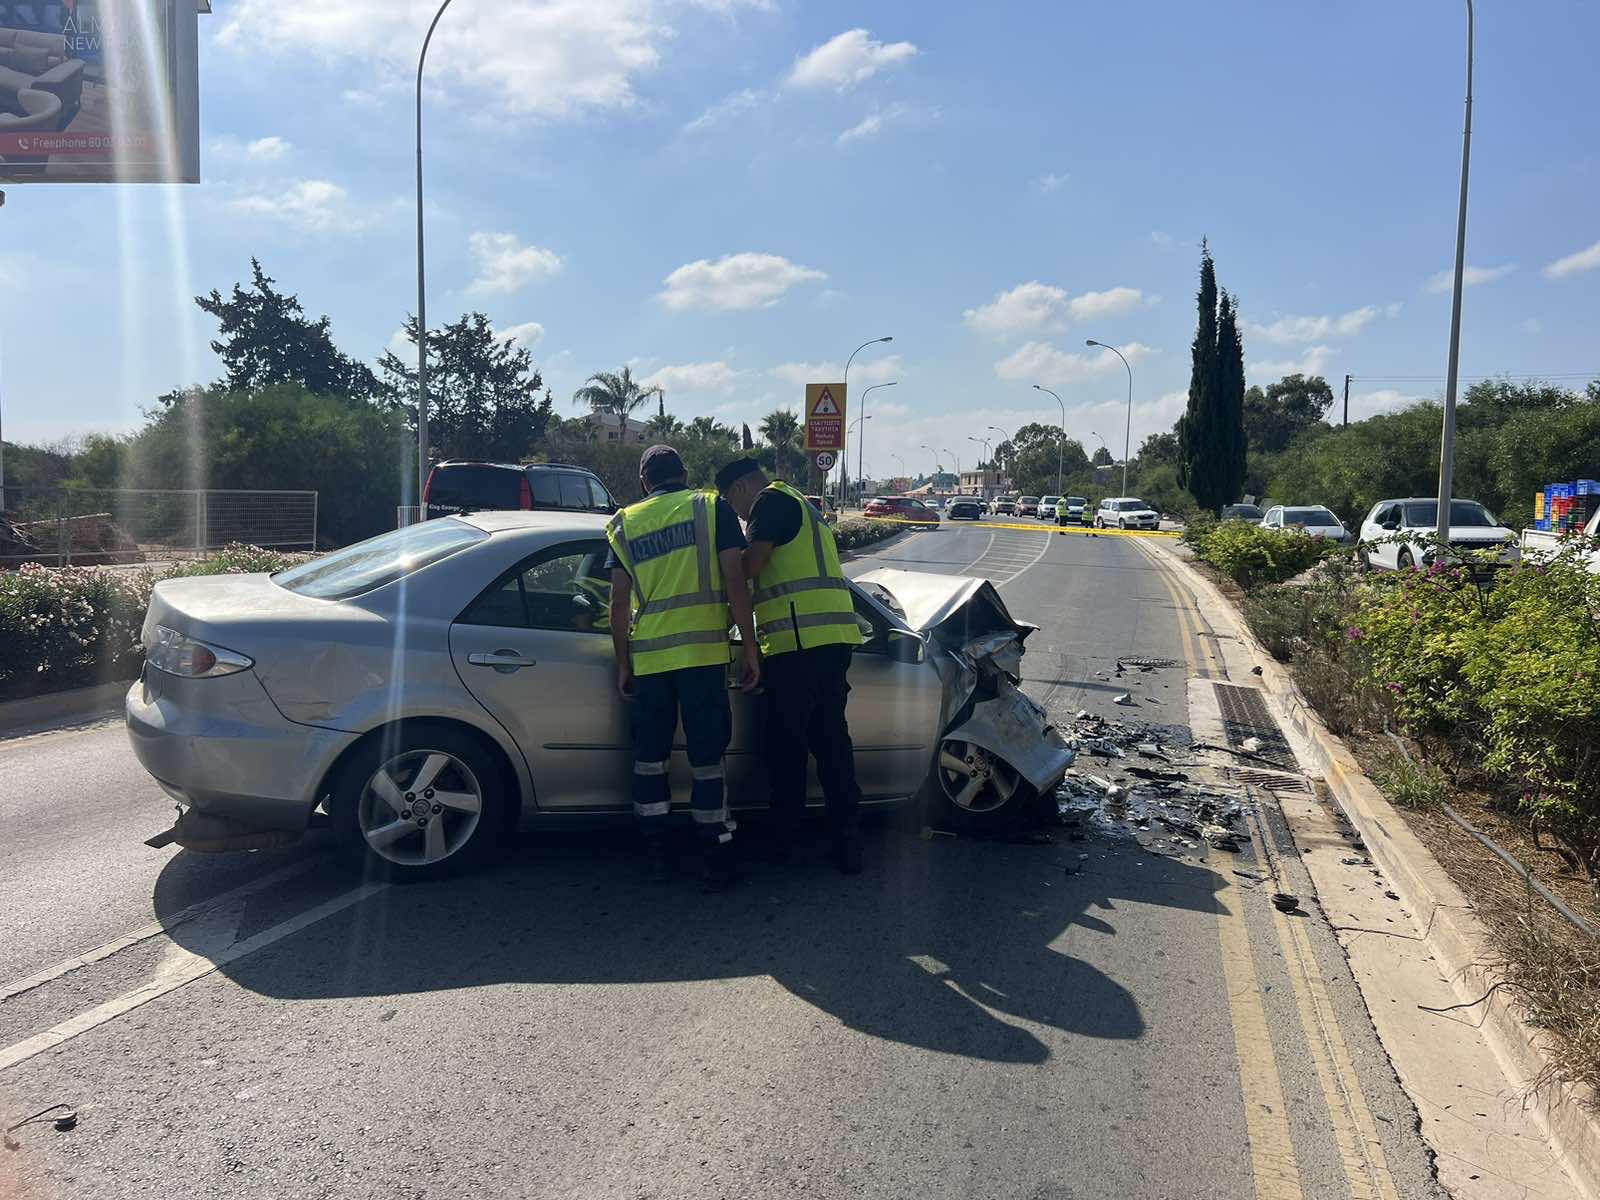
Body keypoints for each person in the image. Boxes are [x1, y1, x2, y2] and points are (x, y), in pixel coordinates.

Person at [607, 445, 761, 889]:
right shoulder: (710, 507)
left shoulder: (625, 523)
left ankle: (657, 852)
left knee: (650, 759)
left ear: (644, 482)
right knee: (707, 760)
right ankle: (713, 854)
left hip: (651, 661)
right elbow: (736, 581)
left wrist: (623, 663)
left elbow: (618, 602)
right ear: (684, 473)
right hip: (703, 658)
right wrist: (751, 648)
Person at [714, 458, 866, 874]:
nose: (738, 515)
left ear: (741, 488)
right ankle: (847, 842)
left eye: (732, 504)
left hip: (798, 646)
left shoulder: (769, 503)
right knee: (832, 745)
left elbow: (751, 566)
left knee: (786, 748)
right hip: (832, 640)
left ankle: (784, 844)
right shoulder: (801, 504)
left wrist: (722, 576)